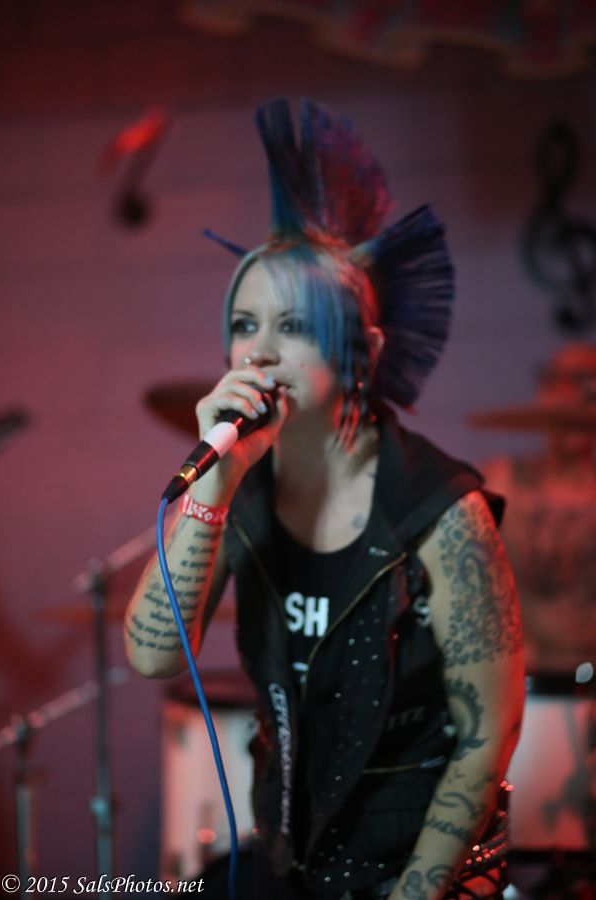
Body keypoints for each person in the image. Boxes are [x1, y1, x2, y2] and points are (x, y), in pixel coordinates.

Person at [125, 98, 524, 900]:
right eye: (244, 324)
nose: (260, 352)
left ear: (362, 353)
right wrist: (215, 485)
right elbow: (153, 656)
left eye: (296, 327)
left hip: (420, 868)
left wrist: (417, 891)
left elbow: (488, 735)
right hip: (294, 861)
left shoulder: (442, 510)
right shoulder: (242, 489)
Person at [481, 343, 596, 677]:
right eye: (558, 381)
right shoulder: (500, 481)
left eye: (586, 383)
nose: (572, 395)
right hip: (523, 674)